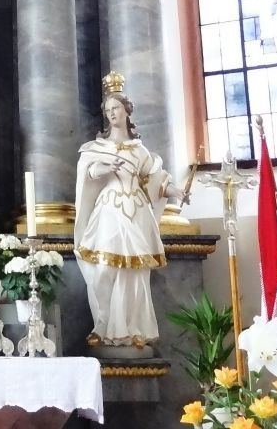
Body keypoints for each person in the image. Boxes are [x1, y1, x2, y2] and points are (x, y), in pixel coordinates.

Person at [74, 73, 184, 348]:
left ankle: (135, 328)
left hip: (135, 212)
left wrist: (176, 192)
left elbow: (156, 180)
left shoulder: (140, 150)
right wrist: (104, 168)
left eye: (116, 109)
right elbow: (88, 172)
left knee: (135, 274)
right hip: (109, 211)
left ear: (127, 111)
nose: (112, 114)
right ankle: (102, 324)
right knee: (103, 269)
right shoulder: (98, 148)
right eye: (108, 110)